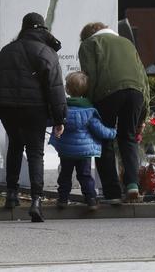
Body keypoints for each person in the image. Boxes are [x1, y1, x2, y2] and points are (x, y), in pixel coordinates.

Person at [0, 12, 67, 222]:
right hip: (35, 108)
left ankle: (11, 194)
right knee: (36, 152)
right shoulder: (46, 51)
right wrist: (60, 119)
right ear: (42, 29)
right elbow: (55, 88)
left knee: (15, 146)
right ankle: (36, 201)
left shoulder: (7, 50)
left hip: (8, 107)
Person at [78, 22, 149, 204]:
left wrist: (89, 105)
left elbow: (90, 75)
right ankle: (132, 185)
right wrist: (143, 115)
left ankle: (112, 193)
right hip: (136, 93)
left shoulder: (89, 44)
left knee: (104, 140)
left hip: (107, 93)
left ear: (87, 36)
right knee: (128, 138)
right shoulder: (127, 43)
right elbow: (143, 78)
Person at [49, 71, 117, 211]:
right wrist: (114, 132)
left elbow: (53, 122)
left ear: (67, 89)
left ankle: (62, 199)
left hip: (66, 151)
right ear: (86, 90)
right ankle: (91, 199)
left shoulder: (63, 110)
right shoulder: (90, 111)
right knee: (85, 175)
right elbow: (100, 131)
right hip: (84, 152)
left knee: (65, 175)